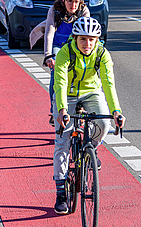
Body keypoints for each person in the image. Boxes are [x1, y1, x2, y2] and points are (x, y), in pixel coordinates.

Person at [52, 17, 125, 215]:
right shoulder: (65, 53)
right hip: (67, 94)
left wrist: (116, 111)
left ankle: (90, 149)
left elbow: (109, 84)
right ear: (75, 38)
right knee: (63, 140)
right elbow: (59, 83)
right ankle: (60, 192)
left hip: (92, 92)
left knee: (104, 123)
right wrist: (61, 110)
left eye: (92, 39)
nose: (88, 44)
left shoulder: (102, 54)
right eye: (83, 39)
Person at [43, 0, 90, 124]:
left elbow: (87, 33)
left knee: (85, 71)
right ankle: (54, 109)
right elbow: (49, 33)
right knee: (56, 73)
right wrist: (48, 55)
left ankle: (81, 106)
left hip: (76, 46)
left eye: (76, 1)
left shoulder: (84, 10)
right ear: (63, 0)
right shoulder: (55, 10)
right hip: (59, 45)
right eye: (70, 1)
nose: (73, 5)